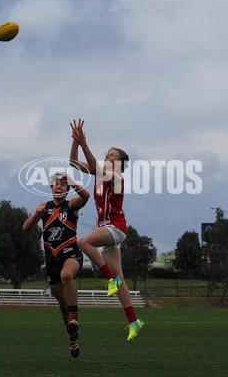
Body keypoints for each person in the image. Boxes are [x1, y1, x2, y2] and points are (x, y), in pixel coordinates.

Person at [69, 118, 144, 342]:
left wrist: (84, 144)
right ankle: (134, 320)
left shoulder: (117, 177)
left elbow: (99, 171)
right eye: (107, 153)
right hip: (108, 229)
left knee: (83, 242)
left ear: (119, 163)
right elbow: (74, 163)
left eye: (112, 154)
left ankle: (111, 280)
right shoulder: (99, 174)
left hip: (116, 228)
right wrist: (76, 142)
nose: (107, 155)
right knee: (121, 276)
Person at [23, 173, 90, 358]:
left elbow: (86, 197)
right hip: (52, 259)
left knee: (67, 276)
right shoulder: (45, 207)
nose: (59, 186)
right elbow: (25, 228)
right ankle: (72, 337)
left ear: (67, 190)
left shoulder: (72, 205)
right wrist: (36, 215)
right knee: (62, 305)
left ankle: (74, 317)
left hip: (71, 254)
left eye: (63, 184)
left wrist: (73, 181)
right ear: (51, 188)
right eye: (56, 184)